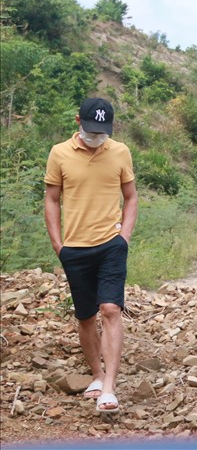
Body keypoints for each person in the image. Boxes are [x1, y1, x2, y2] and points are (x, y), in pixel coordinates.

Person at [43, 97, 138, 415]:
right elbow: (52, 199)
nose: (97, 137)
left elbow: (131, 196)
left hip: (111, 244)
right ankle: (97, 376)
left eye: (103, 131)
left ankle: (109, 388)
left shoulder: (120, 151)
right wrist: (59, 244)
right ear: (77, 121)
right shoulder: (59, 153)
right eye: (91, 130)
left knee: (110, 308)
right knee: (85, 316)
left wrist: (123, 237)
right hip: (75, 248)